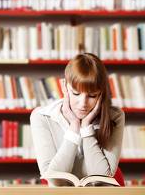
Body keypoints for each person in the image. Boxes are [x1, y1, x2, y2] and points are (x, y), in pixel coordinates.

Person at [30, 53, 125, 185]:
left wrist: (86, 128)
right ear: (64, 86)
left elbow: (103, 179)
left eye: (92, 96)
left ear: (101, 93)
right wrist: (74, 128)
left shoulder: (115, 116)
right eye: (76, 93)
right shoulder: (42, 116)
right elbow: (53, 179)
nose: (83, 104)